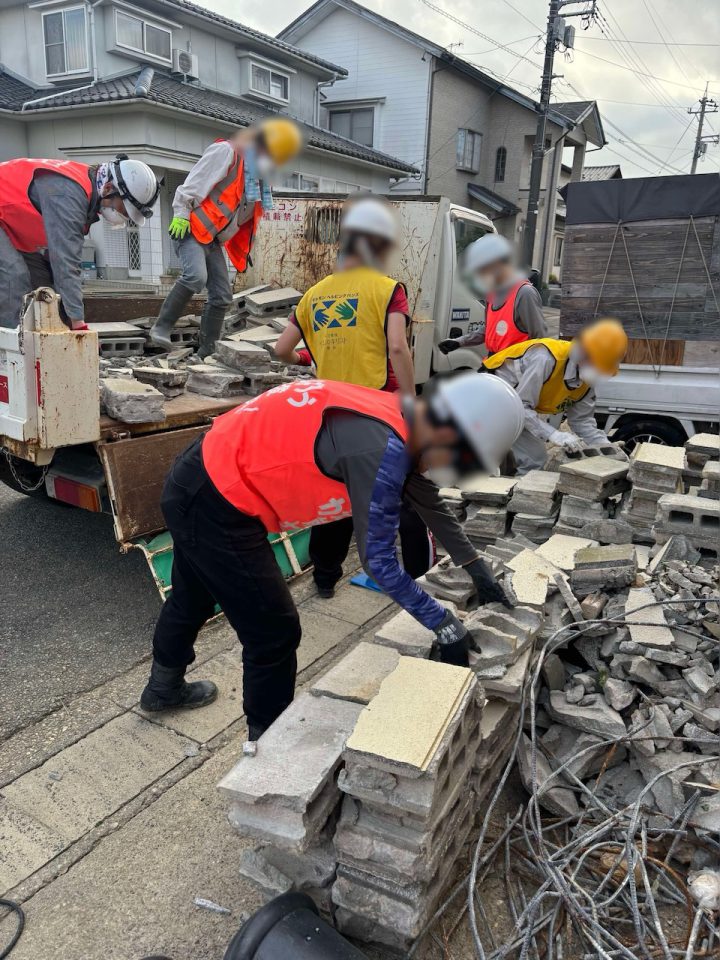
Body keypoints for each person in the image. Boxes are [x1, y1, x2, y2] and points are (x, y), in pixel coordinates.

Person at [139, 373, 525, 740]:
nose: (448, 468)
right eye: (459, 458)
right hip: (217, 501)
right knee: (273, 631)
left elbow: (427, 501)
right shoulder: (379, 448)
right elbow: (380, 562)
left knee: (193, 596)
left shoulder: (406, 417)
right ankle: (267, 746)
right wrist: (442, 622)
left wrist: (476, 568)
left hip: (204, 473)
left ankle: (162, 688)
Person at [274, 196, 431, 596]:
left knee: (335, 493)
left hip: (331, 415)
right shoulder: (388, 289)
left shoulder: (313, 295)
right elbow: (398, 348)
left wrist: (310, 357)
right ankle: (418, 577)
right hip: (379, 409)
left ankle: (325, 579)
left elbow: (281, 349)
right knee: (405, 492)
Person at [150, 118, 302, 358]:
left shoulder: (257, 180)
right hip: (191, 228)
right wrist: (181, 213)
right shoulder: (226, 153)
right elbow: (193, 184)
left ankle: (207, 351)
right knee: (195, 277)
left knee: (222, 295)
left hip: (212, 240)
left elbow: (241, 218)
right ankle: (161, 328)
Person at [0, 155, 160, 330]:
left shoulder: (84, 194)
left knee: (44, 288)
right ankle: (9, 344)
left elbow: (57, 260)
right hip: (5, 223)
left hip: (9, 227)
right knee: (14, 279)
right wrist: (78, 324)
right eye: (124, 210)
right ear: (108, 188)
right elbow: (65, 262)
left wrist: (67, 318)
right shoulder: (68, 194)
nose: (124, 217)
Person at [482, 318, 629, 474]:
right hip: (491, 396)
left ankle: (508, 480)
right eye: (598, 366)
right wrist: (554, 435)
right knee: (531, 460)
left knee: (525, 458)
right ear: (583, 354)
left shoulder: (585, 380)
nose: (599, 373)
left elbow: (582, 421)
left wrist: (608, 448)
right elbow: (520, 407)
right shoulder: (545, 359)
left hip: (517, 406)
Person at [438, 233, 547, 356]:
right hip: (494, 362)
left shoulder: (524, 293)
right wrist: (459, 342)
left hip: (515, 365)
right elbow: (489, 329)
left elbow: (540, 342)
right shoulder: (492, 294)